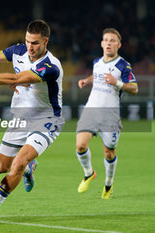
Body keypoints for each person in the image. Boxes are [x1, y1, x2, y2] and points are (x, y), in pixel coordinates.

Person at [0, 19, 64, 225]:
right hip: (20, 119)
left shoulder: (50, 66)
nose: (30, 47)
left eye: (35, 43)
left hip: (46, 120)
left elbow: (16, 79)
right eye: (27, 42)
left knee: (17, 163)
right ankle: (28, 168)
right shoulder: (18, 50)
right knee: (1, 167)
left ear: (46, 41)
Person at [75, 28, 138, 199]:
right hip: (92, 109)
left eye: (112, 40)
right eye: (106, 40)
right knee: (80, 145)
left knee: (108, 152)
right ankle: (89, 173)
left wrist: (116, 83)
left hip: (110, 114)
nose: (109, 43)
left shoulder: (123, 65)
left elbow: (134, 88)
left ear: (119, 44)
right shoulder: (97, 62)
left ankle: (108, 184)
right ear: (102, 43)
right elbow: (97, 75)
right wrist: (86, 81)